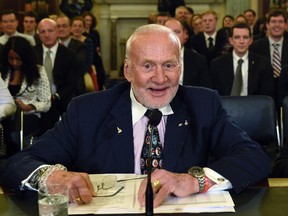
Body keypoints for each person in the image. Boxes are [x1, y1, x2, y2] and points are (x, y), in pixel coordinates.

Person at [1, 24, 270, 207]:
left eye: (169, 65)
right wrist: (52, 178)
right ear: (128, 71)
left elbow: (254, 157)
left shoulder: (203, 104)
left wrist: (193, 181)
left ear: (180, 66)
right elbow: (19, 163)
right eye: (147, 66)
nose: (161, 78)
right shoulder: (87, 110)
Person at [0, 36, 51, 155]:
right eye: (10, 59)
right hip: (6, 118)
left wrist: (29, 106)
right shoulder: (4, 71)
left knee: (17, 132)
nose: (14, 62)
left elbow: (46, 102)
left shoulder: (38, 71)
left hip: (29, 116)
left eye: (18, 59)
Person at [35, 18, 78, 132]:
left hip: (60, 98)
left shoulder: (69, 55)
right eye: (42, 32)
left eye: (50, 31)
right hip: (36, 99)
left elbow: (72, 83)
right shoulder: (32, 53)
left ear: (57, 32)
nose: (47, 35)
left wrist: (56, 96)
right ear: (38, 34)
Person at [211, 23, 274, 98]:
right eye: (237, 37)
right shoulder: (217, 64)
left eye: (245, 37)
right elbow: (214, 94)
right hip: (226, 107)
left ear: (250, 41)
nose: (241, 41)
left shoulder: (263, 63)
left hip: (255, 107)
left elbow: (267, 96)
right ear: (231, 40)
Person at [164, 18, 211, 87]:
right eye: (168, 32)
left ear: (185, 35)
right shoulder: (152, 57)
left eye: (177, 32)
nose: (172, 36)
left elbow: (205, 90)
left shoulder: (199, 60)